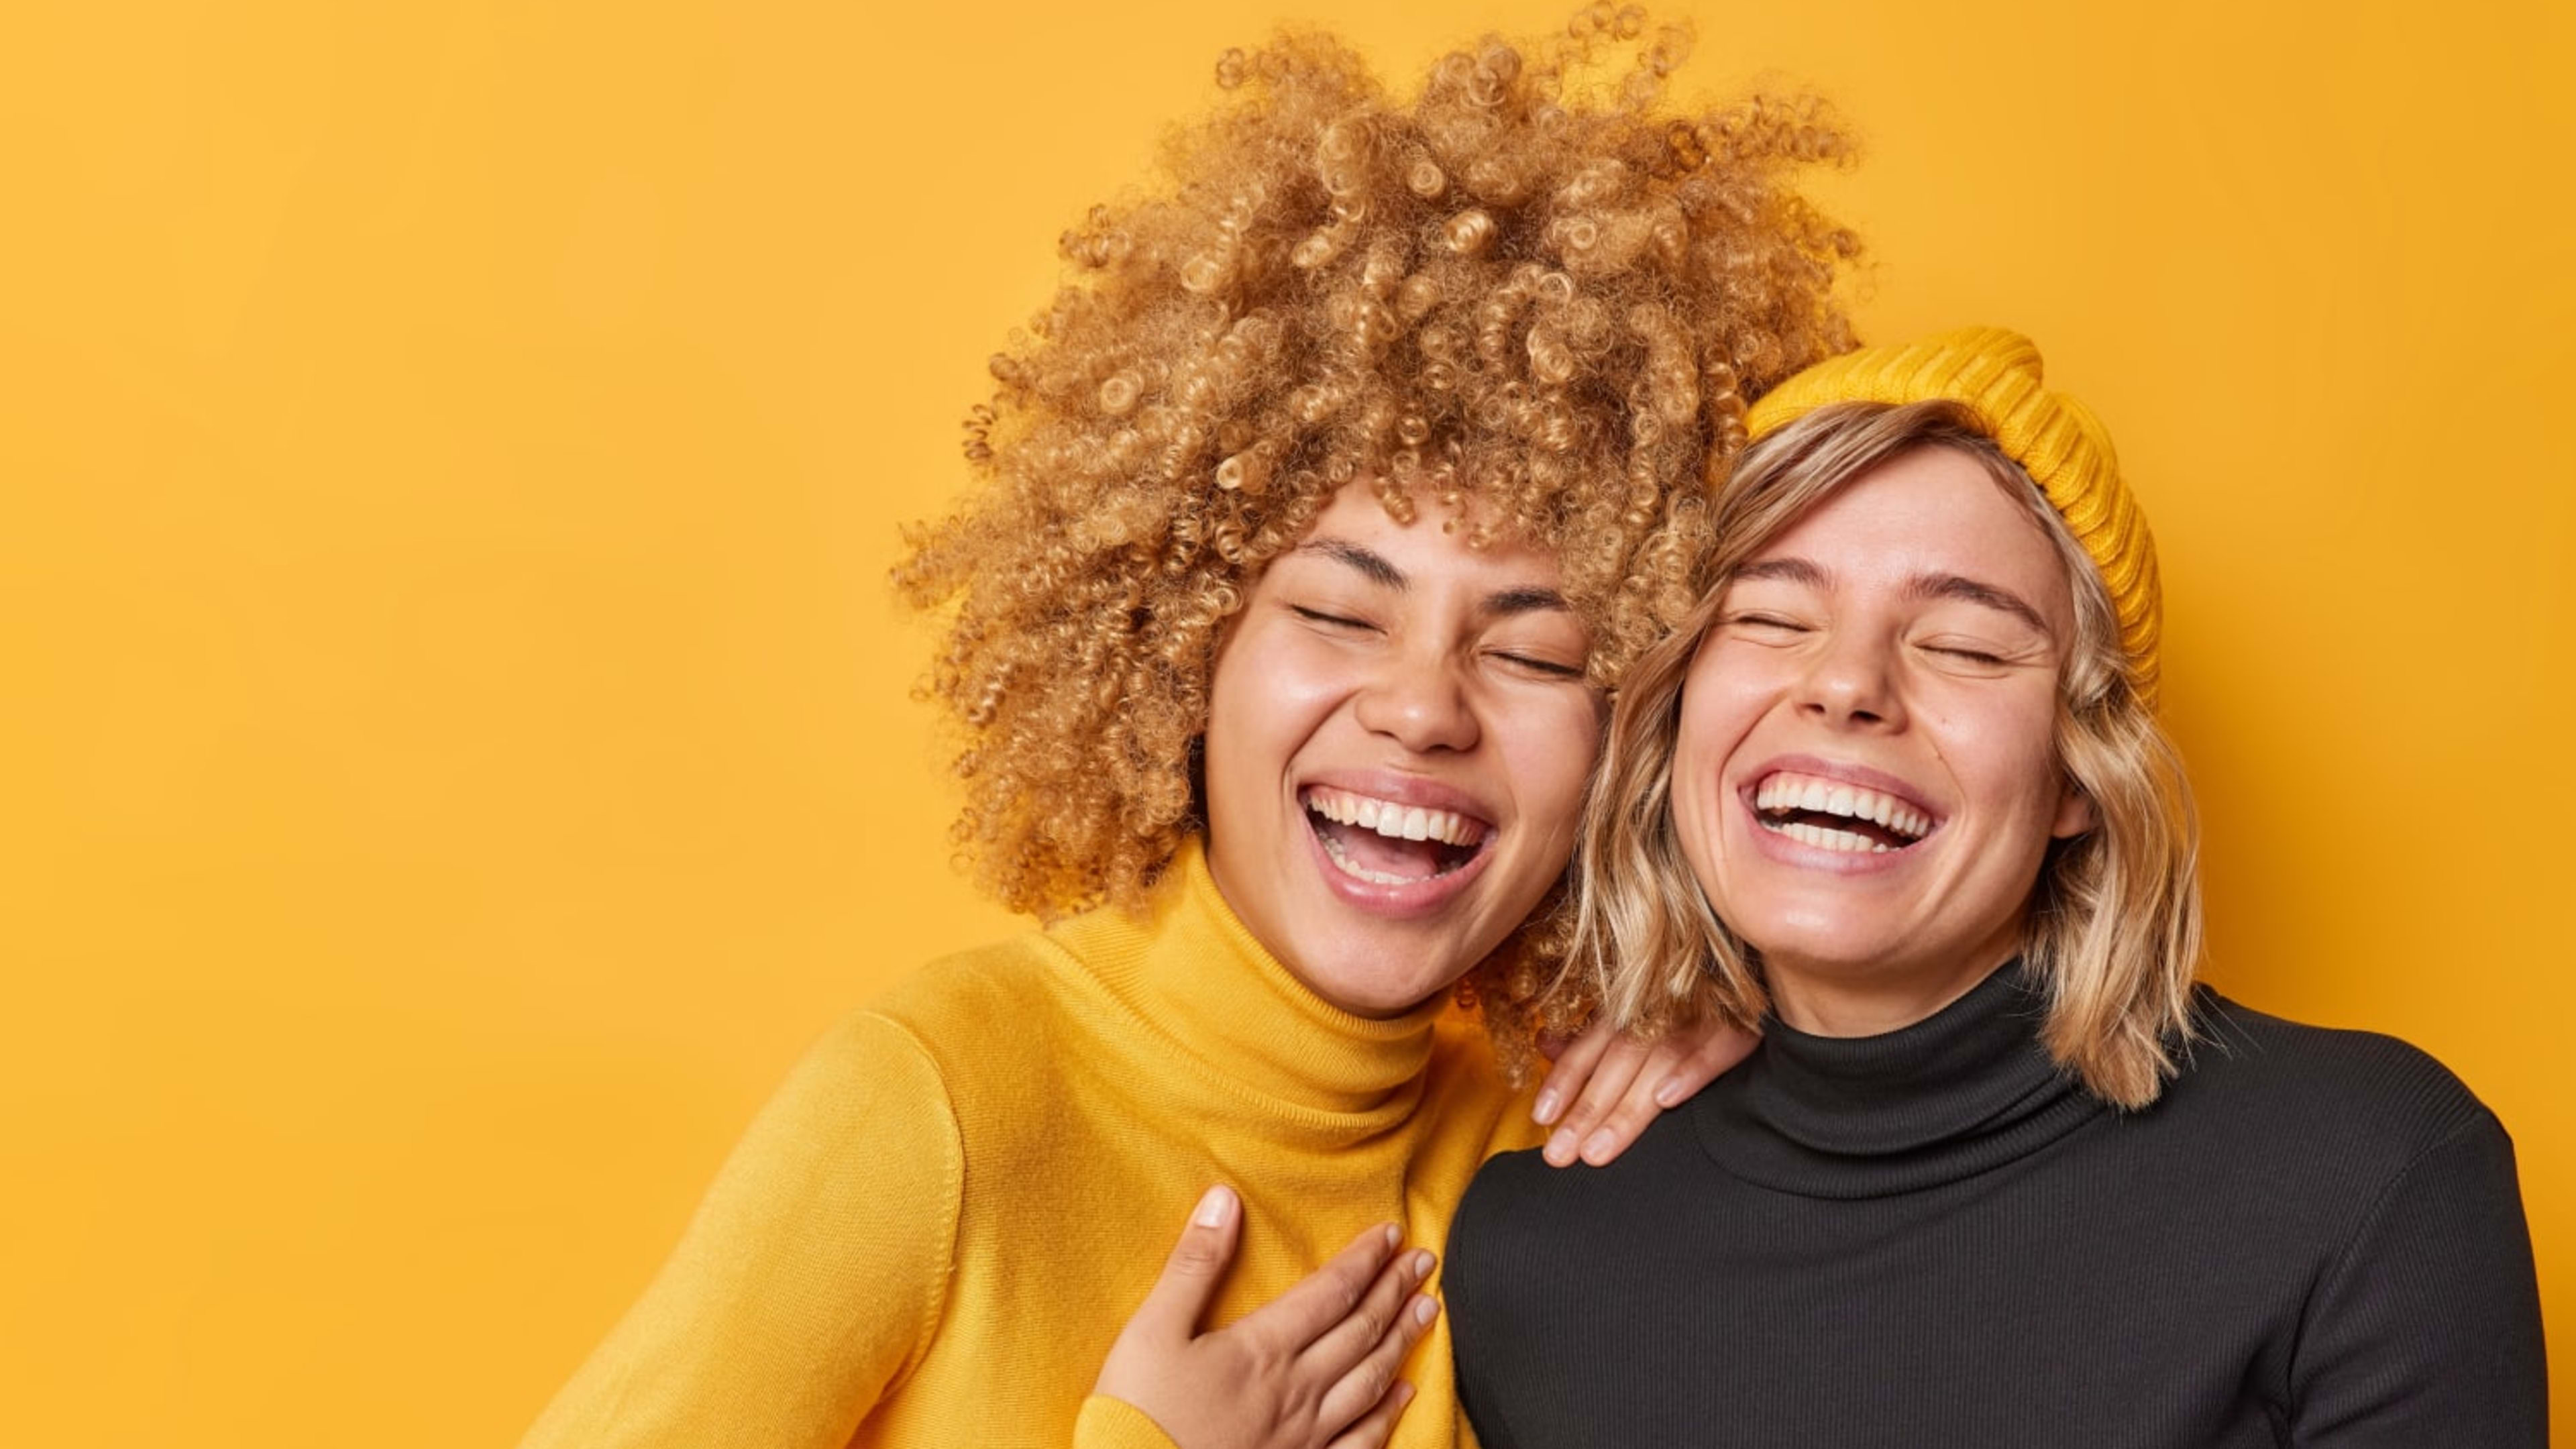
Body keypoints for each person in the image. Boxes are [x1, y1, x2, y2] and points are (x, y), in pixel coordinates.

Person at [518, 11, 1861, 1448]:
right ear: (1182, 646)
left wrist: (1760, 1076)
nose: (1421, 707)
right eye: (1343, 616)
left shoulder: (1536, 1161)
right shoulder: (939, 1110)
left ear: (1625, 741)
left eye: (1534, 649)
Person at [1446, 327, 2548, 1446]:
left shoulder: (2367, 1176)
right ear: (1679, 714)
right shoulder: (1533, 1249)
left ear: (2079, 772)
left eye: (1967, 645)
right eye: (1772, 620)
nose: (1845, 684)